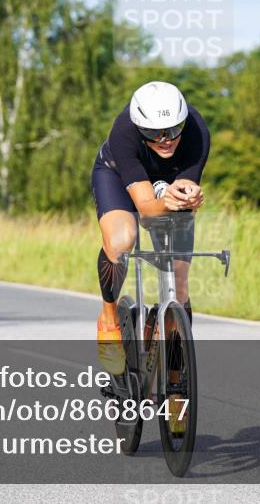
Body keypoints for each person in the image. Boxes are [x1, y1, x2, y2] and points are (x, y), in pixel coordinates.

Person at [90, 81, 210, 380]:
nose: (165, 139)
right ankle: (108, 318)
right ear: (139, 126)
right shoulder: (124, 131)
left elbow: (187, 187)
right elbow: (145, 208)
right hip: (119, 177)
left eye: (173, 129)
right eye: (154, 133)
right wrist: (163, 201)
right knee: (122, 239)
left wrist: (189, 197)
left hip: (167, 183)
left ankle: (175, 378)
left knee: (179, 284)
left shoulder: (196, 132)